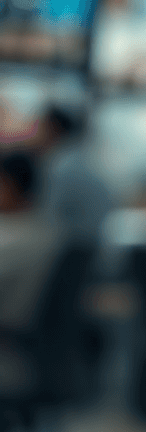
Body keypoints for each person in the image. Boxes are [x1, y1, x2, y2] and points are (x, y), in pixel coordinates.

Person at [0, 153, 61, 395]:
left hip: (11, 356)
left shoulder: (16, 239)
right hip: (32, 356)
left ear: (9, 185)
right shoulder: (50, 232)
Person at [37, 106, 114, 243]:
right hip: (93, 241)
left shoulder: (61, 165)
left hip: (74, 245)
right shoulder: (81, 158)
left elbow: (50, 219)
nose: (37, 133)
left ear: (53, 127)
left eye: (41, 126)